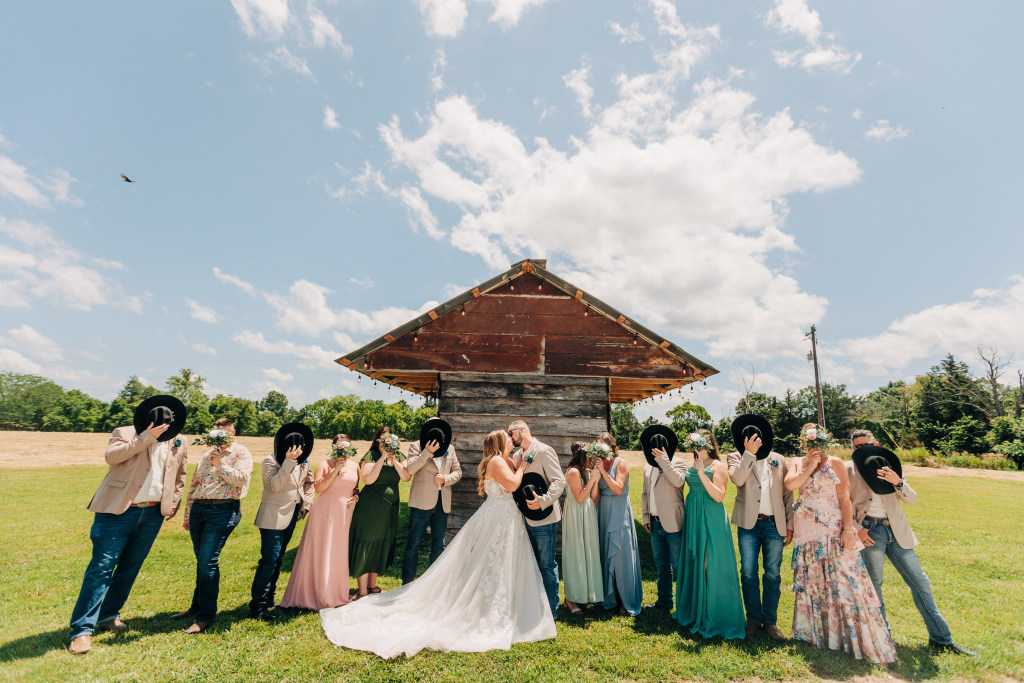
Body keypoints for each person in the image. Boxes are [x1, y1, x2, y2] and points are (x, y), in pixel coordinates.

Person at [319, 430, 556, 658]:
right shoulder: (496, 461)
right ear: (498, 444)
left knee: (503, 561)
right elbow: (514, 485)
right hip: (498, 517)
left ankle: (507, 605)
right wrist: (525, 463)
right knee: (490, 559)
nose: (510, 440)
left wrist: (522, 461)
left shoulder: (506, 460)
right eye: (506, 439)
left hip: (506, 517)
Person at [67, 396, 188, 655]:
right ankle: (81, 632)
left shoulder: (180, 440)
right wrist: (146, 437)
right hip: (117, 511)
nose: (166, 425)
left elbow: (180, 474)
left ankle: (109, 615)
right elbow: (112, 457)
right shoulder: (125, 432)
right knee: (100, 569)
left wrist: (174, 500)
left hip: (153, 514)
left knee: (130, 568)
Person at [848, 430, 976, 656]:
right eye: (857, 446)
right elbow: (842, 505)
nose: (862, 448)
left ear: (876, 443)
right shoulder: (849, 470)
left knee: (921, 583)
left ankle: (941, 639)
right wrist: (856, 530)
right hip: (869, 533)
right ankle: (882, 639)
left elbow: (912, 499)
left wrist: (898, 482)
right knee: (874, 586)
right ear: (852, 449)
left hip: (897, 532)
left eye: (866, 444)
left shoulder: (889, 465)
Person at [784, 424, 896, 665]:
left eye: (818, 440)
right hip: (807, 531)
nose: (814, 445)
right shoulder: (795, 462)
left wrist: (848, 529)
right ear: (803, 442)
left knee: (845, 580)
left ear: (825, 441)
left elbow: (844, 498)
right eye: (810, 441)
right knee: (812, 582)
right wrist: (811, 465)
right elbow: (791, 485)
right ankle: (817, 635)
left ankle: (849, 636)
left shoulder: (835, 462)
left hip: (833, 529)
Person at [173, 417, 253, 634]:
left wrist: (221, 465)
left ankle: (205, 616)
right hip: (199, 509)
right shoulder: (206, 455)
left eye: (223, 432)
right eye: (215, 432)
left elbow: (241, 479)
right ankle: (196, 606)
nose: (218, 436)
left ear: (232, 432)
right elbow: (195, 483)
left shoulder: (241, 453)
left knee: (208, 562)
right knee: (202, 561)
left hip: (223, 510)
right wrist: (188, 514)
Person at [726, 415, 794, 640]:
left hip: (775, 524)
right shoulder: (735, 457)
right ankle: (753, 619)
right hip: (748, 524)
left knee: (773, 574)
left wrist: (789, 524)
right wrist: (748, 454)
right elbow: (737, 479)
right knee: (748, 573)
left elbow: (787, 494)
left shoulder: (778, 459)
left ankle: (770, 622)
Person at [673, 429, 745, 639]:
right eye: (692, 443)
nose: (695, 448)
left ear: (707, 443)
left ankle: (714, 615)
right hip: (693, 512)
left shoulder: (717, 466)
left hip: (710, 515)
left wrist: (703, 474)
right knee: (694, 564)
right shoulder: (691, 463)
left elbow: (719, 495)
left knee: (708, 565)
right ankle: (696, 612)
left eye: (698, 443)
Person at [280, 434, 360, 610]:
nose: (343, 449)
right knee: (323, 549)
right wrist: (335, 470)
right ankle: (317, 593)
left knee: (338, 551)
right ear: (334, 447)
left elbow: (356, 488)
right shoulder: (326, 464)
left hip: (344, 513)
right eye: (339, 446)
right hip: (325, 512)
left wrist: (355, 497)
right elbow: (319, 488)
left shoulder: (355, 466)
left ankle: (335, 591)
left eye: (346, 445)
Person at [248, 423, 315, 621]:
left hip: (293, 513)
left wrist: (306, 503)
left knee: (278, 560)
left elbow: (308, 483)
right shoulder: (269, 461)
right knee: (269, 560)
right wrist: (288, 462)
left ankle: (269, 599)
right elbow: (275, 485)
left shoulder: (305, 462)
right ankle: (257, 606)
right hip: (272, 516)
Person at [508, 419, 566, 621]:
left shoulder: (544, 450)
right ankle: (535, 606)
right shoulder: (516, 456)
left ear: (522, 430)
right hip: (525, 519)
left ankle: (551, 611)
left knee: (547, 565)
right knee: (531, 565)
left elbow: (559, 481)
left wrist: (543, 501)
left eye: (511, 433)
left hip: (545, 518)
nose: (510, 437)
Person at [348, 426, 410, 599]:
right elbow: (368, 479)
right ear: (377, 441)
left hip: (390, 507)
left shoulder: (400, 456)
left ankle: (372, 585)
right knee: (366, 543)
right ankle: (361, 591)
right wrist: (382, 457)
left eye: (389, 439)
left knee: (381, 543)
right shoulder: (371, 456)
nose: (386, 442)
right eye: (383, 439)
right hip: (370, 507)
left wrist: (394, 459)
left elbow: (405, 477)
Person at [401, 418, 462, 584]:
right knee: (413, 544)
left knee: (439, 544)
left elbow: (458, 472)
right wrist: (426, 452)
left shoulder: (450, 448)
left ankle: (432, 585)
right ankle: (407, 584)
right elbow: (410, 469)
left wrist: (445, 479)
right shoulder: (415, 446)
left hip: (442, 503)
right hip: (421, 502)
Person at [595, 431, 643, 617]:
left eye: (602, 445)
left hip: (619, 509)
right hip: (604, 512)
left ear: (610, 446)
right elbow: (597, 492)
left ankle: (626, 600)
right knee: (606, 553)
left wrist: (604, 472)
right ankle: (610, 597)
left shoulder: (620, 463)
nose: (599, 449)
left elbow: (617, 488)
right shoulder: (598, 464)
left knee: (621, 556)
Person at [639, 426, 687, 612]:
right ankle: (665, 601)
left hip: (673, 521)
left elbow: (678, 482)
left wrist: (664, 461)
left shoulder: (679, 462)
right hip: (654, 522)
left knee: (678, 565)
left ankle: (684, 605)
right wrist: (645, 517)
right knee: (662, 565)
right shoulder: (647, 466)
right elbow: (645, 494)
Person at [561, 441, 603, 614]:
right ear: (583, 456)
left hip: (587, 514)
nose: (592, 460)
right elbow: (579, 497)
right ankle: (571, 599)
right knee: (576, 553)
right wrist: (592, 479)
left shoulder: (587, 471)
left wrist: (595, 480)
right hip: (575, 515)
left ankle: (585, 595)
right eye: (590, 456)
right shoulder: (572, 472)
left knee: (588, 552)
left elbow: (593, 496)